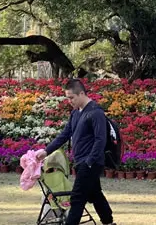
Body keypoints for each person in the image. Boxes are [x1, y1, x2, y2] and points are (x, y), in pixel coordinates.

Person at [36, 79, 115, 225]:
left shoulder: (96, 112)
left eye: (71, 97)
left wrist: (90, 161)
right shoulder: (75, 113)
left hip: (90, 163)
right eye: (67, 98)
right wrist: (46, 151)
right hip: (80, 162)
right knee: (95, 194)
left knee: (77, 198)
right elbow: (64, 135)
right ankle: (108, 222)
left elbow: (100, 140)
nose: (69, 101)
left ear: (82, 93)